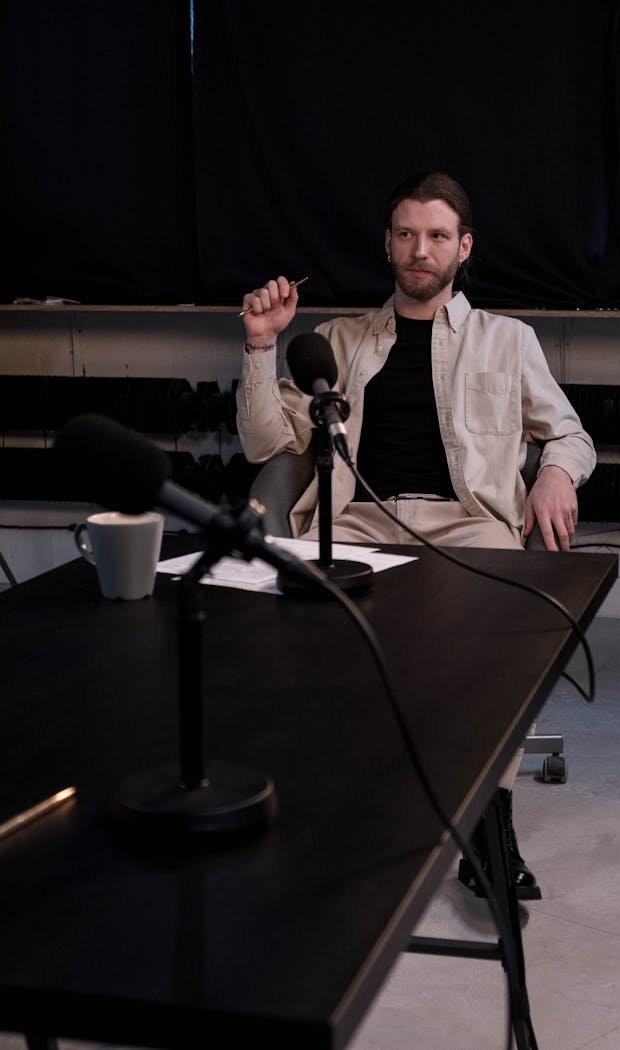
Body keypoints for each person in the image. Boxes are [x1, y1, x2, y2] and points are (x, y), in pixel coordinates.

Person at [235, 171, 596, 899]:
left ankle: (489, 824)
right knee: (318, 648)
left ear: (463, 248)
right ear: (389, 244)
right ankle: (336, 816)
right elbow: (265, 444)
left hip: (470, 527)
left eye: (436, 236)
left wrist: (557, 473)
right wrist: (259, 346)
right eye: (406, 234)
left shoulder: (507, 341)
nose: (419, 249)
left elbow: (569, 433)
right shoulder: (338, 341)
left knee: (495, 652)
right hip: (360, 524)